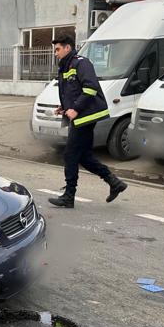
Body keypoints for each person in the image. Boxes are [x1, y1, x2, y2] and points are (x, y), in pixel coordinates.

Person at [47, 33, 127, 207]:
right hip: (80, 116)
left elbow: (90, 88)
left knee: (70, 155)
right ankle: (114, 183)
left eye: (58, 49)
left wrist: (75, 109)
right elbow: (72, 91)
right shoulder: (66, 66)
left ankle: (69, 196)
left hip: (86, 116)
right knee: (84, 156)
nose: (56, 53)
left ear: (68, 47)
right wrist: (65, 107)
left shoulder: (81, 63)